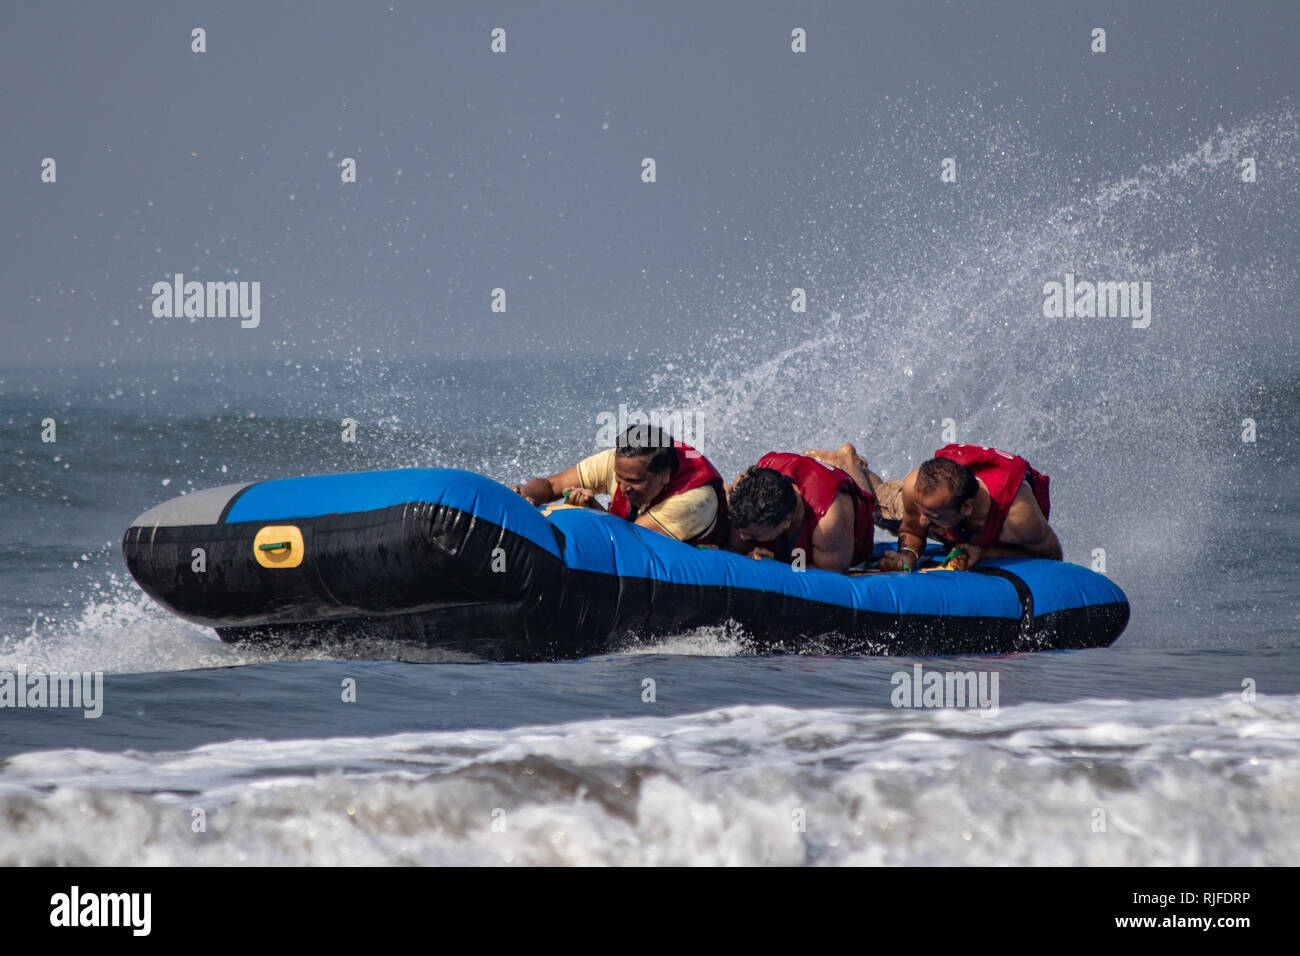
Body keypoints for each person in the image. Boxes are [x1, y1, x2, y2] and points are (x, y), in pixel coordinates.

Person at [511, 426, 728, 545]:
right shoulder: (619, 461)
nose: (623, 487)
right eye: (618, 478)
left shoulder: (693, 499)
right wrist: (527, 495)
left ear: (665, 476)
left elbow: (628, 543)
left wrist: (592, 508)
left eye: (634, 481)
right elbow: (550, 485)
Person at [876, 443, 1060, 572]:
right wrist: (906, 556)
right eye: (921, 511)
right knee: (868, 502)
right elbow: (913, 532)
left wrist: (985, 553)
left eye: (931, 515)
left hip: (985, 516)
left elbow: (1052, 554)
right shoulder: (916, 487)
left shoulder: (1017, 519)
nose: (922, 520)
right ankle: (851, 463)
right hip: (940, 504)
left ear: (967, 508)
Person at [726, 452, 876, 573]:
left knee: (872, 502)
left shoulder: (828, 522)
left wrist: (777, 563)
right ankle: (821, 460)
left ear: (787, 521)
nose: (742, 537)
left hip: (849, 501)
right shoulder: (745, 483)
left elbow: (830, 576)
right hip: (794, 469)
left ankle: (849, 460)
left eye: (753, 535)